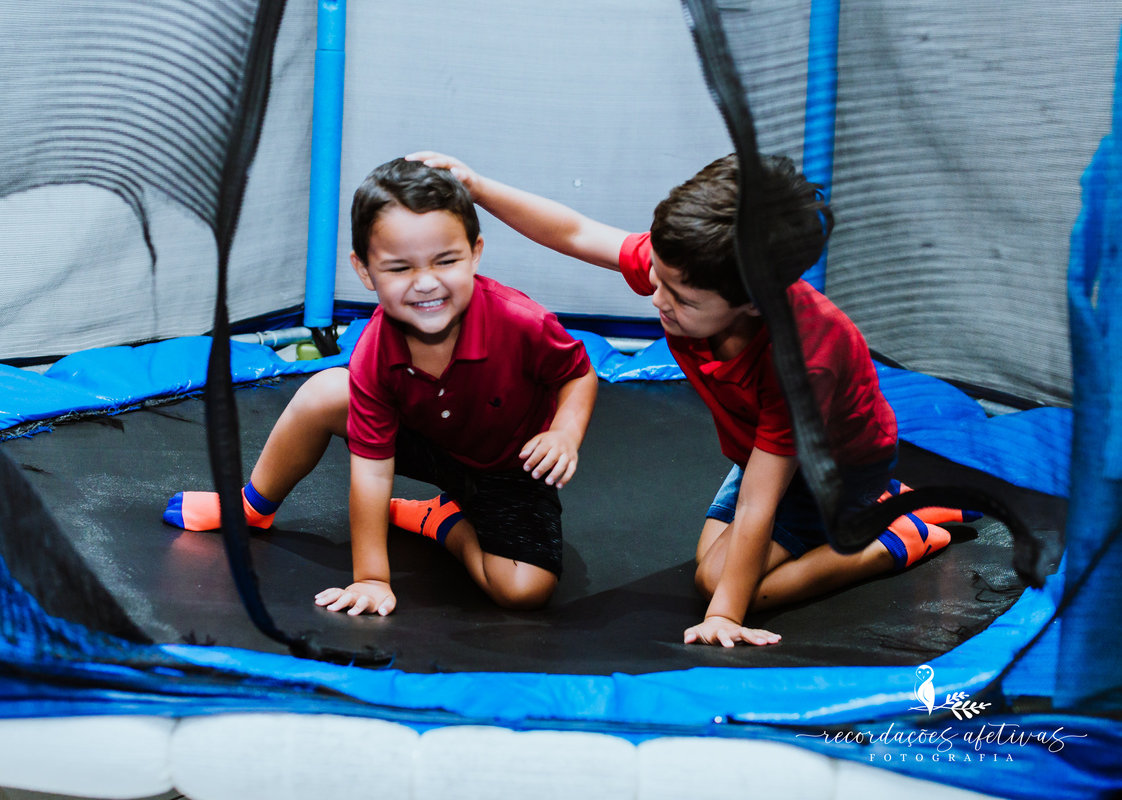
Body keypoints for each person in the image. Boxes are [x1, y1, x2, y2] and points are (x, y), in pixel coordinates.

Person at [407, 150, 970, 648]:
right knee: (712, 558)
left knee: (722, 586)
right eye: (658, 278)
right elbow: (576, 232)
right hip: (758, 453)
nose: (656, 298)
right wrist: (478, 186)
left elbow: (758, 503)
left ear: (752, 304)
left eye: (679, 298)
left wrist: (725, 614)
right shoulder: (691, 269)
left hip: (835, 470)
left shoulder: (802, 360)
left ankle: (898, 532)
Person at [164, 158, 597, 615]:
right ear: (365, 271)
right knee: (326, 391)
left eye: (446, 260)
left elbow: (577, 374)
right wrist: (372, 577)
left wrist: (564, 433)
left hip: (511, 467)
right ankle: (253, 506)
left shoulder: (520, 321)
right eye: (399, 268)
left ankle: (442, 521)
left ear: (476, 252)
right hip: (427, 441)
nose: (426, 282)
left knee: (523, 591)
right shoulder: (376, 349)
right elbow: (371, 471)